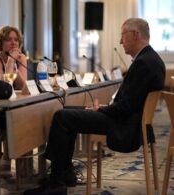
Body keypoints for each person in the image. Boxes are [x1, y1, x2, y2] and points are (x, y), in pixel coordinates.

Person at [24, 18, 166, 195]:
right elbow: (129, 103)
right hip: (127, 120)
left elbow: (125, 107)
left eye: (123, 35)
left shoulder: (144, 62)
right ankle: (65, 173)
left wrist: (102, 109)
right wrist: (105, 107)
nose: (121, 41)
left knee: (62, 117)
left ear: (135, 35)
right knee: (67, 112)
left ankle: (57, 182)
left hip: (125, 125)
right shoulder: (150, 59)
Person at [0, 26, 28, 177]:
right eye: (9, 39)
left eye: (16, 39)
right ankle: (7, 156)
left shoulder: (22, 58)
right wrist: (10, 62)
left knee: (28, 113)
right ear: (1, 43)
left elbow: (22, 86)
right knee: (11, 116)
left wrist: (15, 64)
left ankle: (23, 160)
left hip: (15, 105)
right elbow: (5, 86)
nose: (13, 43)